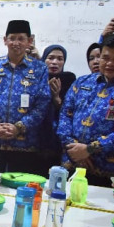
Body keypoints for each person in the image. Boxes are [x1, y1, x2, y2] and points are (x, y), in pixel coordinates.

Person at [0, 20, 51, 174]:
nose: (16, 43)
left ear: (29, 41)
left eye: (21, 38)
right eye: (12, 38)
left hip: (25, 143)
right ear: (5, 40)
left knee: (20, 189)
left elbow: (42, 104)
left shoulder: (39, 68)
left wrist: (19, 127)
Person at [57, 34, 114, 187]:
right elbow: (65, 115)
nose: (110, 63)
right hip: (71, 164)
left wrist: (90, 149)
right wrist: (75, 149)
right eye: (105, 57)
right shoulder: (82, 82)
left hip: (106, 172)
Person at [39, 44, 76, 172]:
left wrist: (56, 98)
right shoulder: (36, 78)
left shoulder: (69, 80)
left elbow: (71, 113)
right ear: (43, 60)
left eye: (60, 59)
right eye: (51, 58)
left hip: (58, 140)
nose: (55, 62)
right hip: (35, 138)